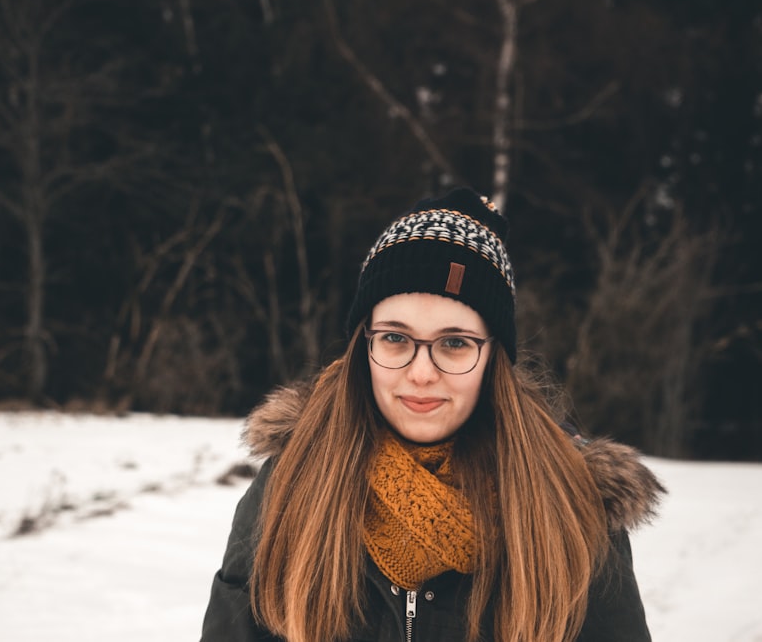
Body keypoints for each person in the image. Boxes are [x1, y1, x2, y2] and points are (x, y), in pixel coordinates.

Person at [200, 187, 664, 642]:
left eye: (455, 343)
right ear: (365, 345)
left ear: (493, 358)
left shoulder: (568, 501)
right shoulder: (292, 482)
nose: (421, 373)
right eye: (396, 338)